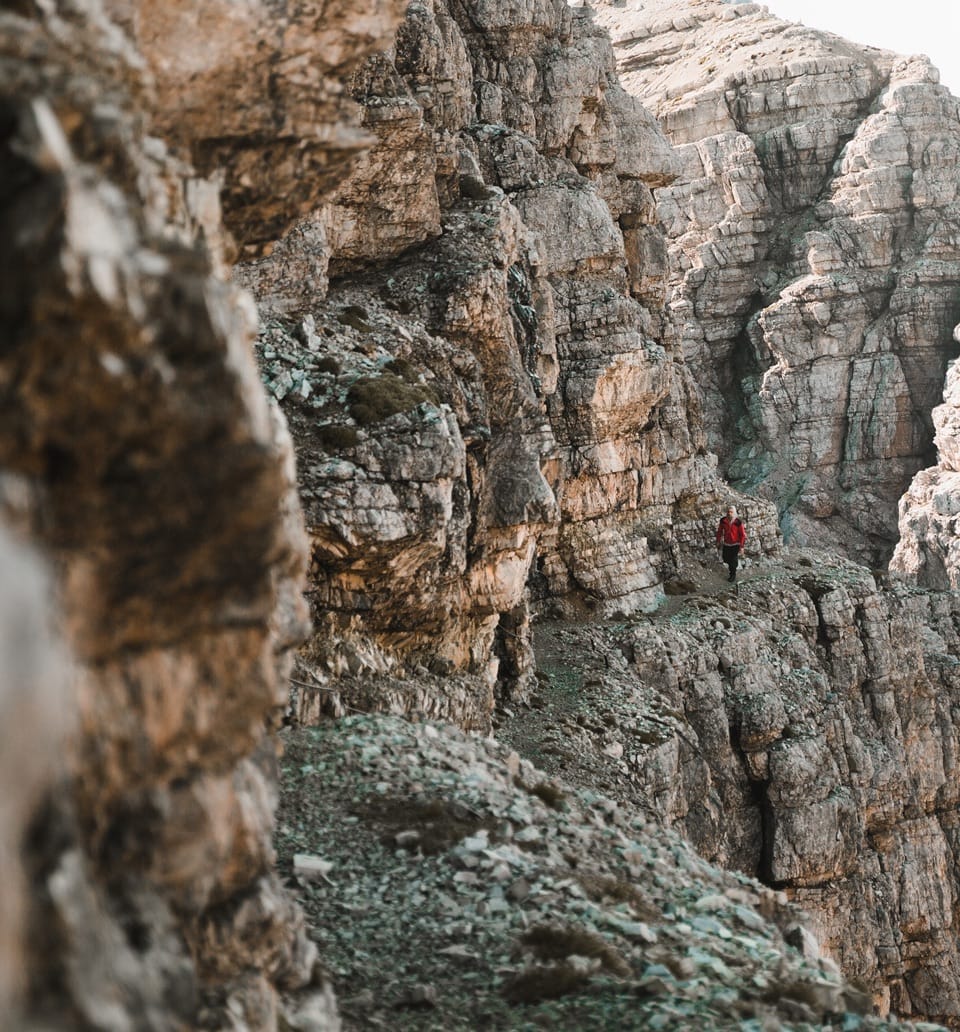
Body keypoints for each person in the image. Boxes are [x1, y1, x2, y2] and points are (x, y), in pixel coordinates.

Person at [716, 505, 746, 582]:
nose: (729, 513)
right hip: (726, 543)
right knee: (726, 558)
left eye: (731, 512)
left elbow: (742, 535)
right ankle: (733, 567)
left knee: (733, 560)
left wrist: (741, 547)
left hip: (735, 544)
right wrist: (718, 541)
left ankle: (733, 574)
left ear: (734, 513)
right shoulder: (723, 521)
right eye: (728, 512)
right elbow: (719, 531)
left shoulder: (738, 522)